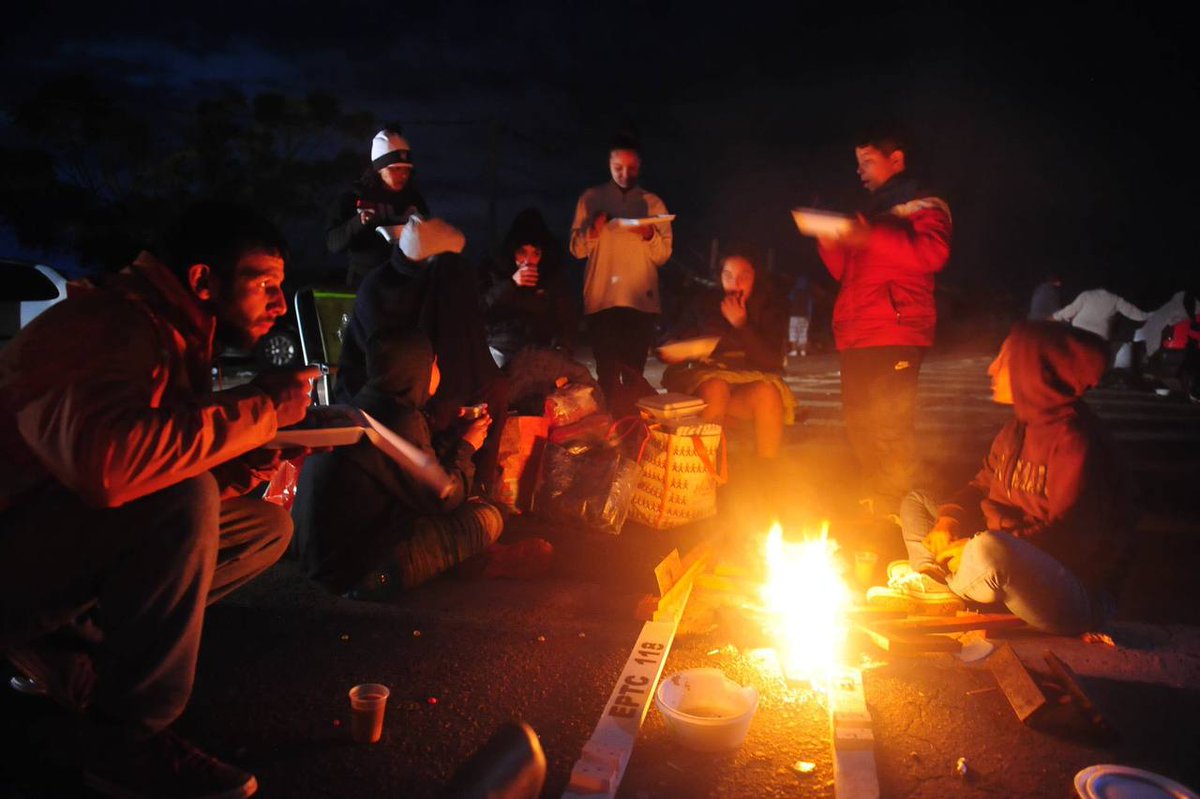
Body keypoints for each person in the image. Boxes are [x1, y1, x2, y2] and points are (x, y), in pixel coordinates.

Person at [0, 203, 319, 798]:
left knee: (262, 527)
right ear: (203, 281)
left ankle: (68, 652)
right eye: (264, 284)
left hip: (54, 537)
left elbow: (152, 481)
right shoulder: (109, 324)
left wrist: (243, 462)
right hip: (15, 545)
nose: (279, 303)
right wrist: (265, 407)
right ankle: (126, 742)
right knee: (186, 500)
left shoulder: (173, 333)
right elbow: (110, 469)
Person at [871, 322, 1134, 634]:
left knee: (989, 549)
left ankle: (946, 582)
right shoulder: (1019, 427)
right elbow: (981, 485)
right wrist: (949, 521)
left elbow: (1072, 540)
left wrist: (973, 547)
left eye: (1005, 361)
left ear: (1034, 371)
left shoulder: (1076, 441)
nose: (991, 370)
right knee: (919, 500)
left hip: (1071, 592)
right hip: (1003, 552)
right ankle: (937, 578)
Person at [294, 328, 504, 598]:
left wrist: (455, 435)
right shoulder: (399, 418)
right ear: (418, 369)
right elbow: (444, 497)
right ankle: (479, 565)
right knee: (489, 517)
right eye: (435, 363)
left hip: (318, 564)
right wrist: (467, 446)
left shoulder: (365, 406)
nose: (438, 369)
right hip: (359, 576)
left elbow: (419, 472)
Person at [815, 125, 952, 516]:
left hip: (896, 330)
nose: (859, 170)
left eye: (867, 161)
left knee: (891, 430)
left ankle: (903, 515)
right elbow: (846, 273)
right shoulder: (871, 212)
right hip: (856, 333)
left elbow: (933, 254)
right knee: (860, 427)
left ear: (897, 159)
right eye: (856, 163)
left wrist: (868, 235)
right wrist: (831, 242)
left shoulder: (924, 204)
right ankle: (876, 505)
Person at [336, 215, 509, 493]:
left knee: (494, 389)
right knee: (444, 409)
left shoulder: (445, 283)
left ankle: (481, 486)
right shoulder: (382, 289)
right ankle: (459, 490)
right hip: (383, 397)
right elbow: (394, 371)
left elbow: (465, 349)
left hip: (431, 385)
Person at [569, 133, 672, 413]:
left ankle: (631, 429)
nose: (625, 174)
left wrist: (650, 233)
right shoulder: (591, 199)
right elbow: (577, 250)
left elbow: (663, 255)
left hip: (640, 301)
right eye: (619, 168)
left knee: (633, 373)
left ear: (640, 167)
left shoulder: (653, 204)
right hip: (602, 298)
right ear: (609, 165)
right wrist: (592, 230)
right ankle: (612, 428)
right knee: (607, 372)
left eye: (632, 168)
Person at [661, 252, 796, 459]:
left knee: (768, 393)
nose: (735, 283)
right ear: (719, 277)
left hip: (746, 383)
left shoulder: (768, 308)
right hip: (705, 379)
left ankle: (767, 472)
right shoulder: (704, 303)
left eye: (744, 276)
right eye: (728, 275)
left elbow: (772, 360)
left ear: (755, 278)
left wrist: (742, 324)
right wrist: (676, 349)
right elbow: (673, 338)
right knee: (716, 388)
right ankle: (703, 471)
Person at [326, 126, 430, 288]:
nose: (402, 175)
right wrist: (357, 223)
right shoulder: (355, 198)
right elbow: (333, 243)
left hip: (406, 286)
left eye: (406, 170)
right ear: (379, 169)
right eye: (395, 169)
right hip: (365, 286)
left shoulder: (414, 200)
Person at [482, 208, 578, 368]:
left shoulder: (552, 278)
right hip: (501, 347)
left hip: (541, 349)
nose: (529, 260)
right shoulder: (495, 272)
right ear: (512, 251)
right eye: (522, 252)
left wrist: (563, 349)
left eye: (536, 253)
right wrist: (511, 284)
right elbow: (480, 308)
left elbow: (567, 320)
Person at [1051, 287, 1149, 341]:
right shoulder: (1115, 299)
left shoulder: (1087, 295)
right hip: (1100, 338)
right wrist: (1149, 316)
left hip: (1080, 333)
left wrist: (1054, 317)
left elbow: (1070, 310)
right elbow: (1133, 313)